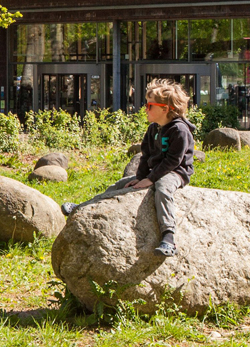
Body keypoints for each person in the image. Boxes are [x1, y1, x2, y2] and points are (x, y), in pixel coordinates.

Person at [63, 78, 195, 257]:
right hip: (154, 171)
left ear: (165, 109)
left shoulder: (179, 130)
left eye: (150, 106)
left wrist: (151, 178)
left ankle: (168, 237)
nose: (145, 109)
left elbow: (173, 160)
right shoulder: (153, 129)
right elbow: (145, 156)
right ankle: (84, 207)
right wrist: (140, 177)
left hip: (175, 172)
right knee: (121, 185)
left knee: (163, 189)